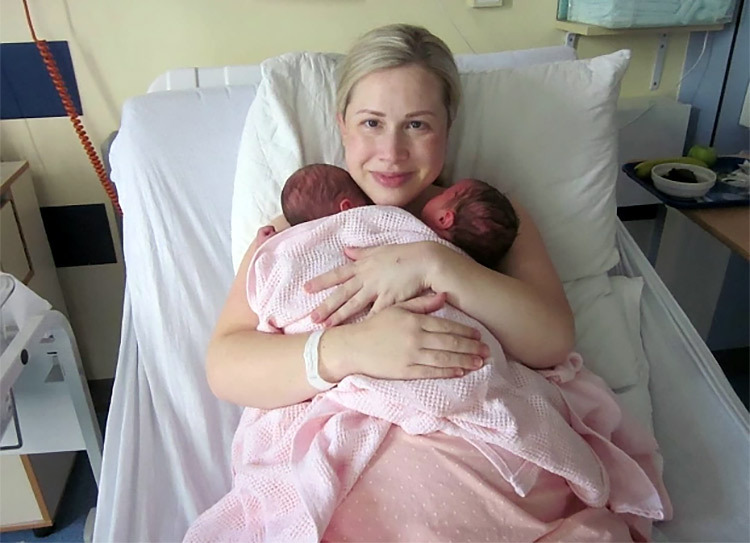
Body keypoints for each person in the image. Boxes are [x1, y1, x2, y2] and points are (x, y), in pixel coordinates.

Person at [278, 162, 519, 270]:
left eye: (416, 124)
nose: (391, 152)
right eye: (372, 122)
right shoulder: (303, 214)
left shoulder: (408, 232)